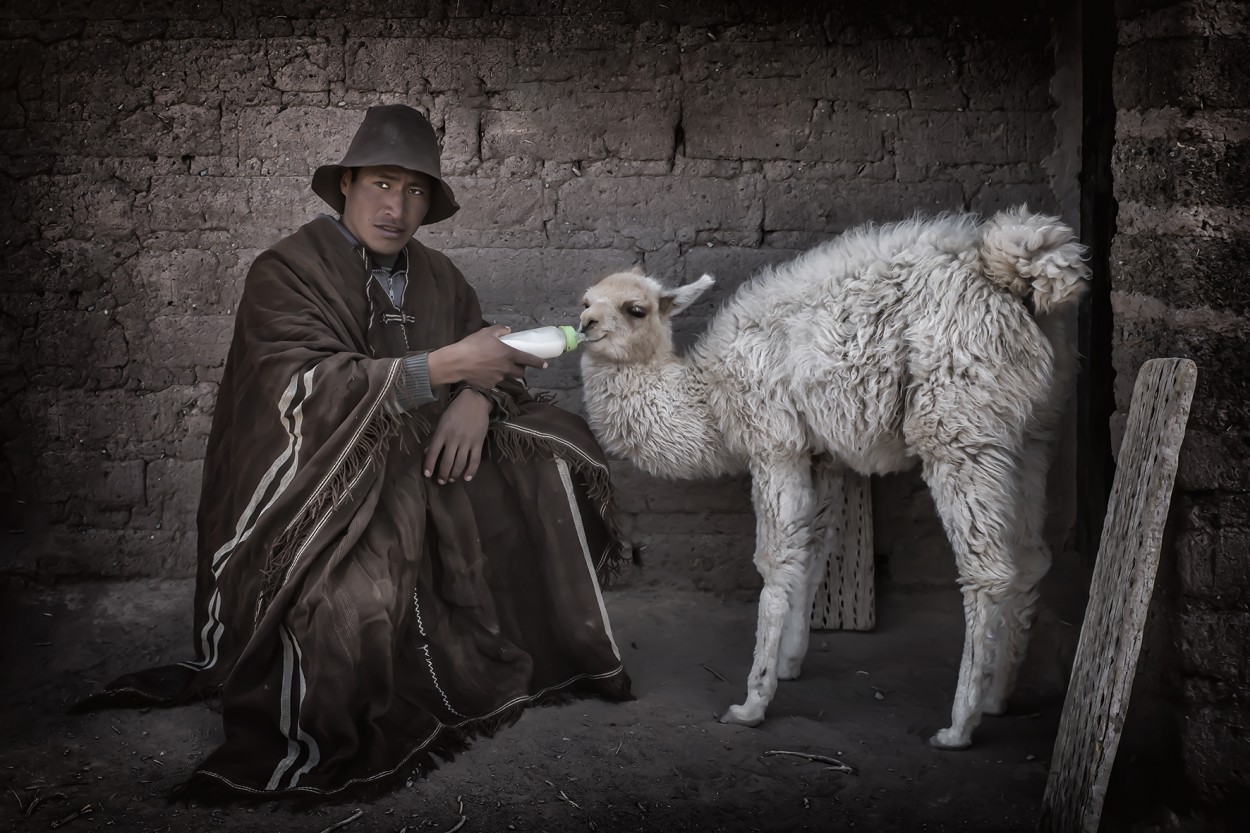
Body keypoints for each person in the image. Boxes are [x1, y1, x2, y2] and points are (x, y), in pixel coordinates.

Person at [75, 104, 632, 799]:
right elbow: (303, 390)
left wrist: (475, 398)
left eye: (417, 190)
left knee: (553, 449)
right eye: (382, 183)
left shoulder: (440, 276)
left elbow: (491, 355)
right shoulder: (284, 271)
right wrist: (450, 365)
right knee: (354, 598)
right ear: (346, 184)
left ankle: (561, 647)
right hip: (321, 483)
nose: (398, 207)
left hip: (425, 460)